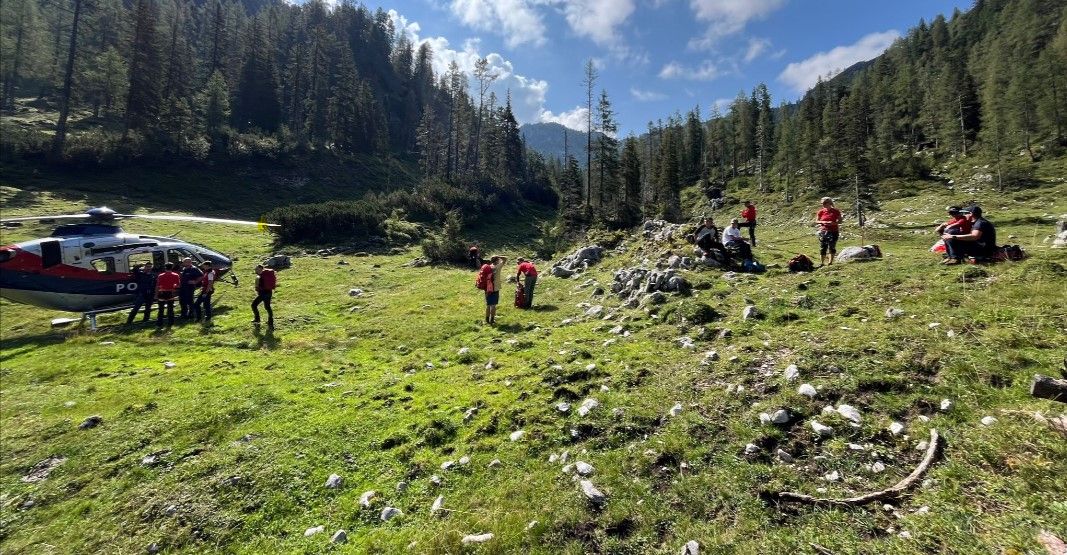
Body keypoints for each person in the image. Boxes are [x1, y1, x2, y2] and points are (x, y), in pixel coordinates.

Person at [815, 197, 843, 266]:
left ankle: (830, 262)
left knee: (832, 247)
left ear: (829, 203)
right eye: (822, 203)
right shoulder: (821, 211)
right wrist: (824, 222)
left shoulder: (836, 211)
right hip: (824, 231)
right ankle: (822, 263)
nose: (823, 205)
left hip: (834, 231)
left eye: (824, 203)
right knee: (823, 247)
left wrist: (833, 223)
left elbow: (840, 221)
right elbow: (817, 221)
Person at [480, 255, 506, 325]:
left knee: (488, 305)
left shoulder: (488, 267)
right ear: (497, 260)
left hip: (487, 288)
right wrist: (499, 256)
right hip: (495, 288)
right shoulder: (497, 267)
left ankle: (487, 320)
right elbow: (505, 259)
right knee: (493, 305)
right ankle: (492, 320)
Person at [155, 262, 180, 328]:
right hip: (170, 293)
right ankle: (170, 323)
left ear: (165, 267)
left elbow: (158, 286)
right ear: (172, 267)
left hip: (162, 292)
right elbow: (177, 285)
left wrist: (156, 294)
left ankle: (159, 324)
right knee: (170, 308)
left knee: (161, 309)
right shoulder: (176, 275)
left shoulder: (160, 275)